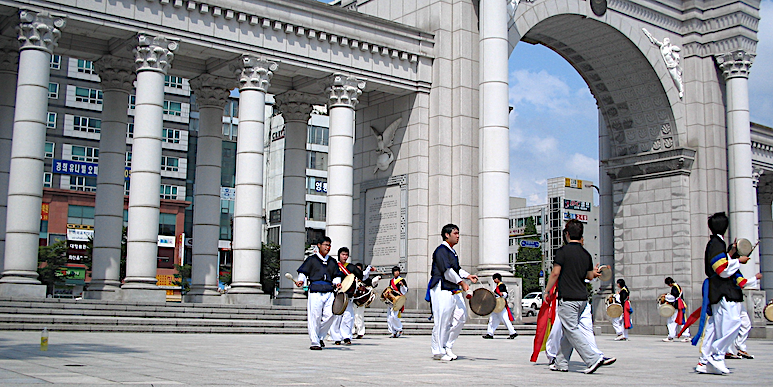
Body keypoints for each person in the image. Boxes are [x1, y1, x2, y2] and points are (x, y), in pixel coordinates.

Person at [694, 212, 761, 374]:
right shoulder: (717, 244)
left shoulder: (715, 243)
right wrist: (739, 261)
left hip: (716, 289)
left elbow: (721, 264)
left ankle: (705, 361)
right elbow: (722, 269)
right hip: (723, 290)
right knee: (733, 322)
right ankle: (716, 355)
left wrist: (730, 255)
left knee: (715, 327)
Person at [543, 219, 607, 374]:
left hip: (568, 298)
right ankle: (561, 362)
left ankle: (592, 358)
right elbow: (590, 276)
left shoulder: (562, 252)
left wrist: (547, 291)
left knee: (571, 329)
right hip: (583, 299)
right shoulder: (586, 254)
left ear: (566, 234)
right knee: (568, 330)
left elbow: (555, 273)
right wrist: (596, 273)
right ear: (581, 235)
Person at [429, 223, 478, 361]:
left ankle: (447, 345)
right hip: (441, 287)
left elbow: (456, 269)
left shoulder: (452, 251)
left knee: (461, 316)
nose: (458, 236)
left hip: (452, 288)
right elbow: (447, 271)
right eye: (455, 233)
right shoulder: (440, 250)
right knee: (442, 319)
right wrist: (462, 283)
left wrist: (467, 276)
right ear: (447, 235)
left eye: (458, 233)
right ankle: (438, 350)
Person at [295, 236, 344, 350]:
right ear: (319, 245)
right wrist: (301, 280)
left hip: (329, 291)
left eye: (329, 245)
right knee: (315, 316)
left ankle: (319, 336)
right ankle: (315, 341)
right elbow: (303, 272)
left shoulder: (332, 261)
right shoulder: (311, 259)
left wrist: (337, 283)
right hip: (315, 291)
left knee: (331, 315)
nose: (328, 247)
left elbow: (336, 275)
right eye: (326, 245)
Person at [545, 299, 616, 367]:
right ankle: (553, 355)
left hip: (582, 299)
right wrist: (547, 292)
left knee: (587, 328)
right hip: (566, 300)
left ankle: (596, 355)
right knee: (558, 328)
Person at [328, 247, 363, 345]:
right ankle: (336, 337)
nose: (345, 257)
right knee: (337, 316)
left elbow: (360, 275)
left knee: (348, 316)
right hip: (337, 294)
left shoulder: (351, 267)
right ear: (339, 255)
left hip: (348, 295)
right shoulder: (334, 266)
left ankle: (346, 336)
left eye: (346, 255)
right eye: (343, 254)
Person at [482, 273, 517, 339]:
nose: (494, 280)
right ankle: (490, 333)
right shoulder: (498, 286)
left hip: (500, 306)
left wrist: (502, 294)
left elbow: (505, 294)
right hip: (496, 306)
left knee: (505, 319)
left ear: (497, 279)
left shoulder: (501, 285)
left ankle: (513, 332)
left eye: (494, 279)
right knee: (492, 320)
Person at [351, 262, 378, 339]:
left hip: (360, 300)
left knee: (359, 316)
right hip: (352, 299)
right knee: (351, 316)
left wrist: (375, 280)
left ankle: (360, 332)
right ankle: (351, 331)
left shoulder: (365, 279)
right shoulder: (351, 278)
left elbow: (371, 285)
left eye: (359, 269)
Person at [663, 277, 690, 342]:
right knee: (680, 320)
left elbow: (673, 297)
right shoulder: (677, 286)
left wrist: (665, 297)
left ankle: (672, 336)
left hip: (677, 306)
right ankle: (685, 335)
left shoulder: (675, 287)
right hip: (679, 305)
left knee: (672, 321)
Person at [386, 266, 408, 338]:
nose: (397, 272)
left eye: (398, 271)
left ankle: (399, 328)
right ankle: (393, 332)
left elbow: (405, 290)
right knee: (389, 317)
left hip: (398, 300)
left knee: (394, 316)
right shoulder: (391, 281)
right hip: (392, 300)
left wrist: (402, 285)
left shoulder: (401, 280)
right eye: (395, 271)